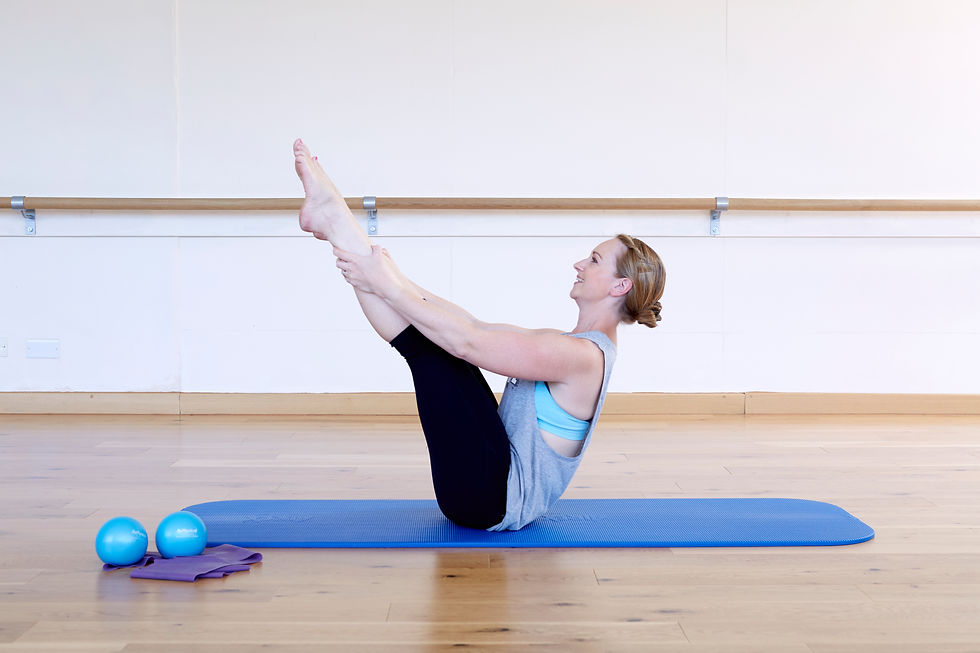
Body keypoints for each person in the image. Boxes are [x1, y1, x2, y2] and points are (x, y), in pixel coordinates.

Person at [292, 138, 666, 531]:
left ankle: (336, 222)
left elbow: (468, 341)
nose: (580, 263)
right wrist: (396, 278)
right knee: (440, 345)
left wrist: (388, 285)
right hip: (490, 485)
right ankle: (335, 222)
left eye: (594, 260)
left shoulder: (582, 357)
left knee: (440, 352)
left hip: (489, 499)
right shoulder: (570, 346)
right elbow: (475, 326)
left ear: (619, 286)